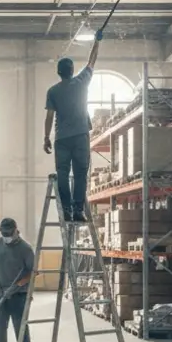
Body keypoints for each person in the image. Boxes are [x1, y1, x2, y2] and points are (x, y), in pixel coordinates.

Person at [43, 29, 102, 222]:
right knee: (80, 174)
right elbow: (92, 61)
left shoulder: (53, 91)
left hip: (61, 138)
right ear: (72, 70)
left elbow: (49, 117)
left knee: (62, 173)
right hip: (80, 136)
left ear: (58, 73)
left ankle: (66, 210)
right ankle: (78, 210)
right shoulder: (81, 82)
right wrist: (97, 41)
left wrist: (46, 138)